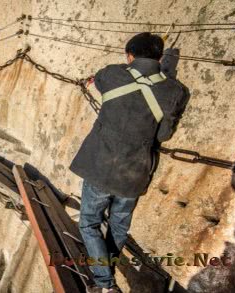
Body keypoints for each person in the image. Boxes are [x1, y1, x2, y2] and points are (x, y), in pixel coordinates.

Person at [69, 33, 189, 293]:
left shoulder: (112, 74)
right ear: (159, 58)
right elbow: (163, 135)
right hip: (134, 172)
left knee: (89, 222)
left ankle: (104, 283)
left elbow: (100, 82)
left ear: (129, 56)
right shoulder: (175, 91)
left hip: (100, 165)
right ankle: (105, 278)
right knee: (119, 224)